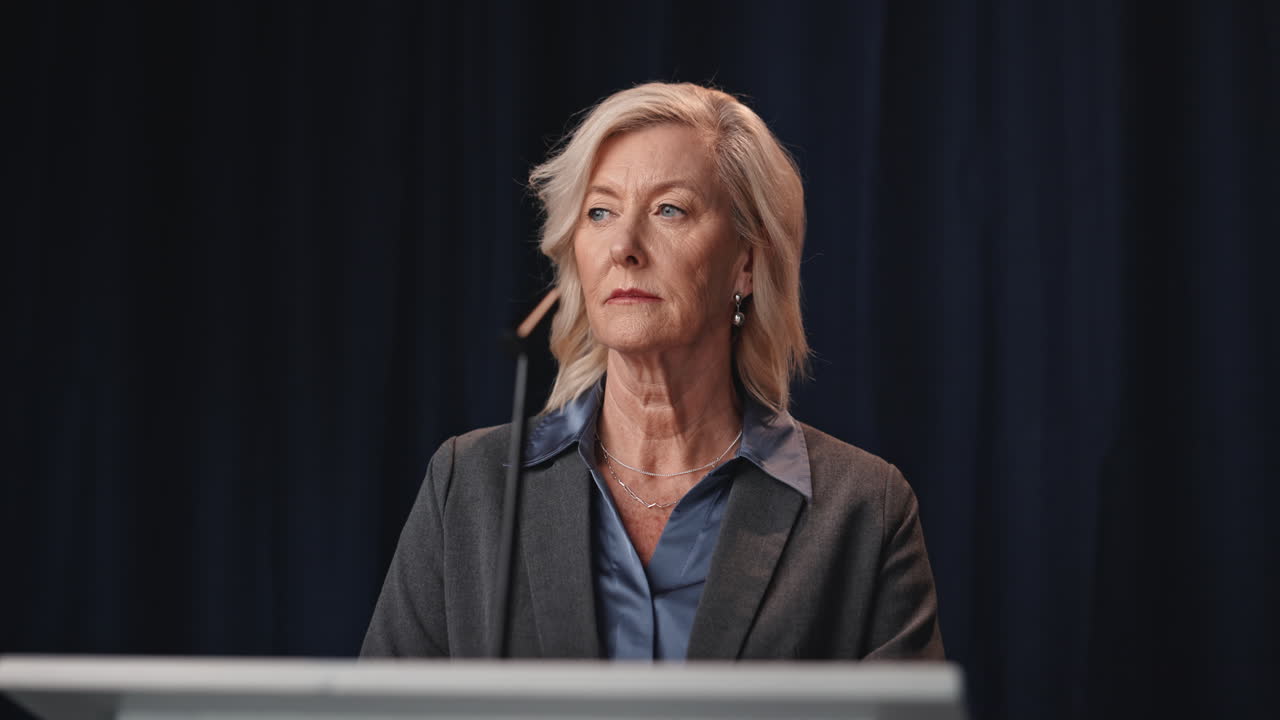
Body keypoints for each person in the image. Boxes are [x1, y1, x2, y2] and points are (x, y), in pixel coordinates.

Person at [361, 82, 943, 660]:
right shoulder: (469, 487)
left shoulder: (862, 509)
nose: (625, 247)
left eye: (670, 209)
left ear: (746, 262)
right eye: (600, 212)